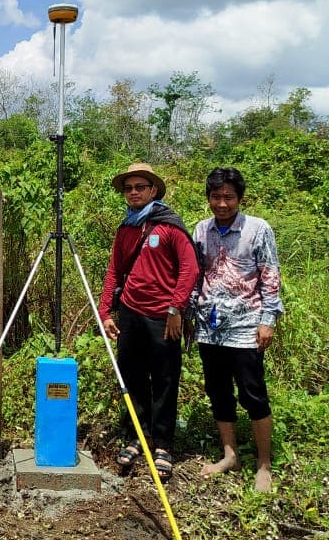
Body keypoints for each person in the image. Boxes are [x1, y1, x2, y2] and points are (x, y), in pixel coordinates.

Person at [98, 162, 200, 481]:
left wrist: (175, 309)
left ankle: (163, 444)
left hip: (162, 316)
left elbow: (190, 269)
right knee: (133, 376)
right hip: (130, 312)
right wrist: (104, 313)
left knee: (166, 379)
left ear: (153, 190)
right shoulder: (126, 228)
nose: (133, 193)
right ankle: (136, 436)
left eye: (139, 187)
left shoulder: (169, 226)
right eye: (128, 188)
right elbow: (114, 270)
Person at [191, 167, 283, 493]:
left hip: (246, 327)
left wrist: (267, 321)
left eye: (228, 196)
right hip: (210, 326)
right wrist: (190, 313)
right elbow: (195, 275)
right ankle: (230, 454)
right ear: (209, 199)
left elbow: (269, 276)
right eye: (216, 196)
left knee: (253, 394)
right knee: (218, 392)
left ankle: (264, 464)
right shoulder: (201, 230)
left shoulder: (258, 229)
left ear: (240, 198)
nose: (222, 203)